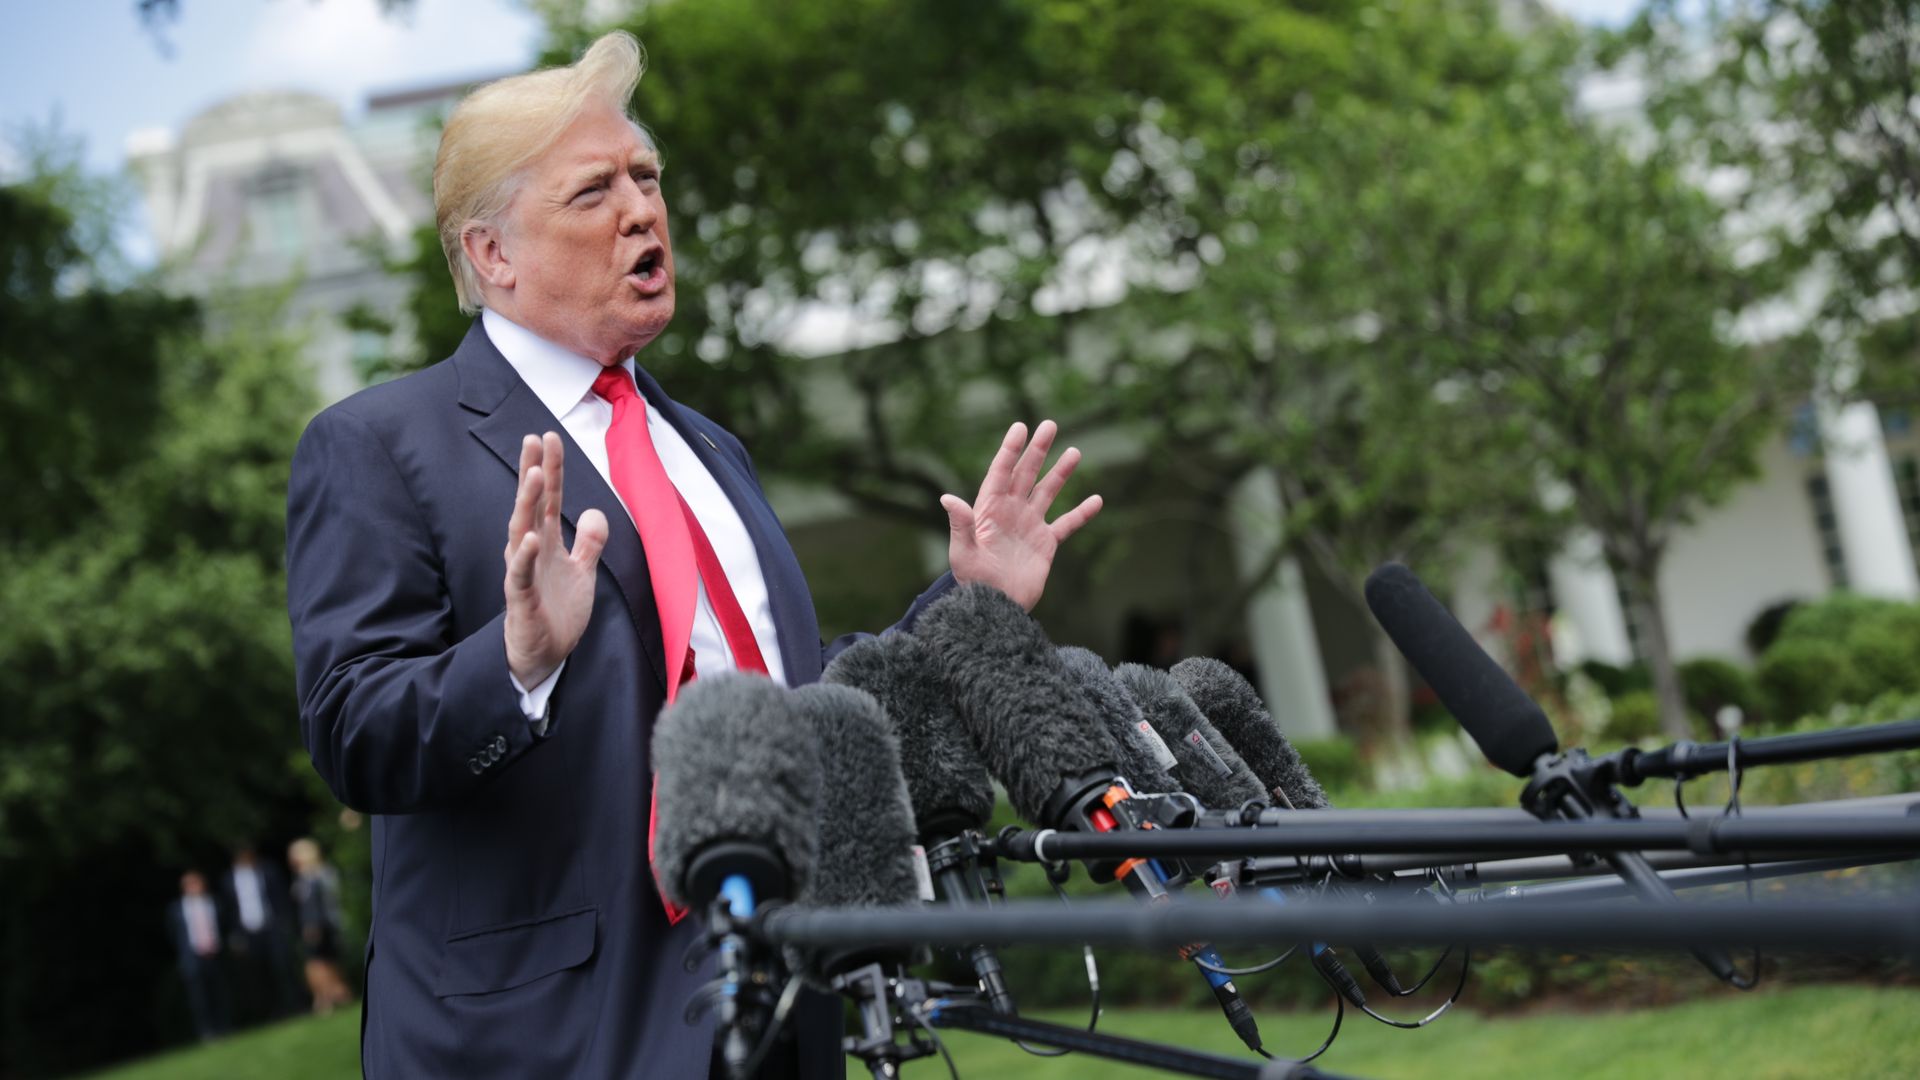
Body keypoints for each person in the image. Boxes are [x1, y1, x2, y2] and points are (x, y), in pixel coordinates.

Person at [285, 30, 1100, 1079]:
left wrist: (965, 604)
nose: (641, 209)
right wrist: (519, 656)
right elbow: (357, 734)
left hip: (782, 1005)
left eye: (647, 177)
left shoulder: (708, 447)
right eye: (593, 193)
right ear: (493, 254)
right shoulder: (378, 445)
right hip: (547, 1039)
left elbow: (792, 695)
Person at [219, 844, 302, 1022]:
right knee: (260, 975)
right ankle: (273, 1011)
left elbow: (281, 898)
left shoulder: (268, 870)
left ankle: (296, 1006)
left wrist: (285, 924)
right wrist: (236, 936)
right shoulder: (228, 880)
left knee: (283, 967)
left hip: (272, 927)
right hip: (249, 932)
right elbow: (230, 910)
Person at [288, 838, 354, 1015]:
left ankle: (329, 997)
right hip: (321, 924)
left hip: (320, 926)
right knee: (325, 962)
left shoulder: (314, 877)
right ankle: (331, 996)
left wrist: (312, 925)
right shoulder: (311, 875)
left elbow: (315, 905)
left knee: (319, 963)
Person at [165, 871, 231, 1042]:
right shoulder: (176, 909)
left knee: (220, 993)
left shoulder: (214, 903)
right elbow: (174, 934)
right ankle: (207, 1031)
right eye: (190, 884)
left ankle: (225, 1027)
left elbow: (224, 926)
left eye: (196, 883)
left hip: (215, 954)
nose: (194, 887)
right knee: (199, 998)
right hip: (192, 958)